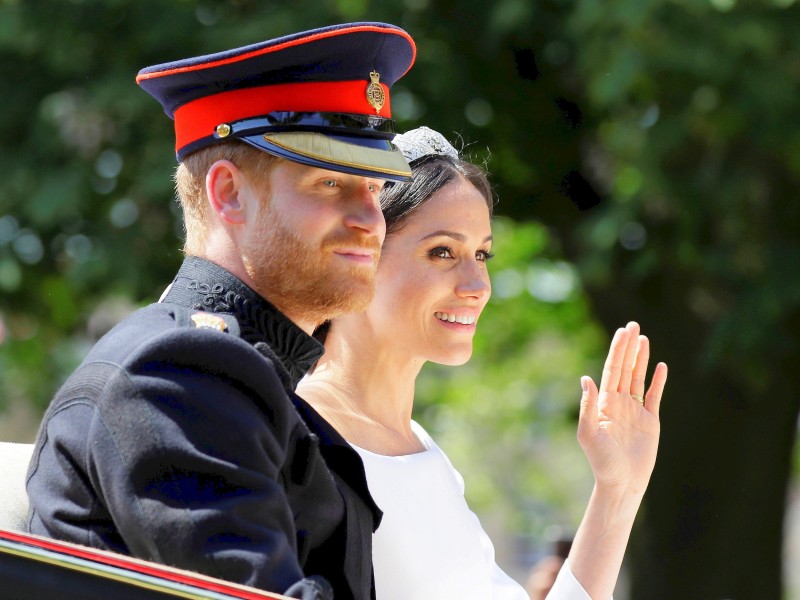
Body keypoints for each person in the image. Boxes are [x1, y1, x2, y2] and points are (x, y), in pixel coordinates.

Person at [26, 22, 417, 600]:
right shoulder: (177, 375)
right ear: (228, 193)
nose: (371, 219)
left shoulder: (236, 374)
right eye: (332, 182)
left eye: (377, 188)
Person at [297, 126, 669, 599]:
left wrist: (619, 490)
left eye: (481, 254)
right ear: (361, 255)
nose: (477, 285)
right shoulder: (300, 438)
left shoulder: (426, 454)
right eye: (442, 252)